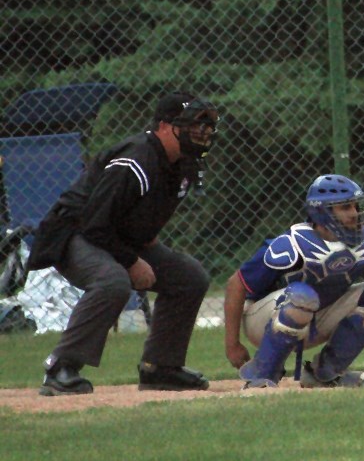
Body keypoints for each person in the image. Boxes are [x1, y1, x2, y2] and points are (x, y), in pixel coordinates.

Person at [28, 92, 220, 396]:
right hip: (74, 234)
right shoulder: (136, 159)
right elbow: (94, 223)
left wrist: (142, 246)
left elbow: (143, 216)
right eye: (194, 125)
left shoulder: (184, 163)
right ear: (164, 126)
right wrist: (131, 261)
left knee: (189, 277)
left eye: (206, 127)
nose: (202, 133)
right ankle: (60, 368)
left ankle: (161, 368)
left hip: (112, 236)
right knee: (113, 281)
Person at [224, 174, 364, 388]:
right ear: (322, 212)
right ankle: (262, 375)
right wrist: (232, 344)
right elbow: (236, 285)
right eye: (346, 206)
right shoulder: (292, 245)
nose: (355, 212)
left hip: (317, 317)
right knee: (302, 295)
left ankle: (326, 373)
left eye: (356, 205)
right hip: (265, 322)